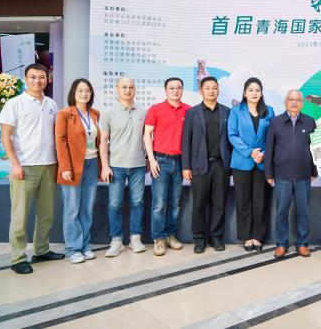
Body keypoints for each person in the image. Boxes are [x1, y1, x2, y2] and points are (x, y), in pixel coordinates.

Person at [0, 63, 64, 274]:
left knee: (46, 214)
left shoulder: (52, 104)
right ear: (26, 79)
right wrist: (15, 164)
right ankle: (18, 257)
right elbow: (6, 136)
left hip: (49, 165)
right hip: (25, 167)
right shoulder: (14, 104)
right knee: (20, 216)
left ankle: (41, 250)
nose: (38, 81)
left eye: (42, 77)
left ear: (48, 79)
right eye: (33, 77)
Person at [181, 76, 233, 254]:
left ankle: (216, 237)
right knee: (199, 204)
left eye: (214, 88)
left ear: (218, 90)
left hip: (221, 165)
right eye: (208, 88)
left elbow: (231, 140)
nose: (211, 91)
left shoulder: (227, 112)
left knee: (219, 203)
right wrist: (186, 167)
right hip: (199, 165)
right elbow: (186, 141)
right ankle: (199, 239)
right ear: (201, 91)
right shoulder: (192, 113)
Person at [264, 90, 317, 259]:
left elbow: (315, 148)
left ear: (302, 103)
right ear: (285, 102)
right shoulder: (275, 122)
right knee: (281, 212)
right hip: (282, 176)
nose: (294, 102)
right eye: (291, 99)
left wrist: (314, 171)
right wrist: (269, 173)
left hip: (303, 175)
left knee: (303, 211)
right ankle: (281, 243)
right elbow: (269, 149)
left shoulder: (310, 122)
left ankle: (302, 243)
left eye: (298, 100)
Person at [99, 76, 148, 257]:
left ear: (135, 89)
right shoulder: (108, 112)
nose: (128, 90)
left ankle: (135, 238)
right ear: (117, 89)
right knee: (115, 204)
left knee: (138, 202)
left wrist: (148, 159)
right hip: (116, 166)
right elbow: (103, 141)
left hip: (138, 166)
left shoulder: (143, 112)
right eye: (124, 87)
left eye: (131, 87)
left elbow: (147, 138)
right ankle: (116, 241)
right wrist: (105, 166)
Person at [55, 78, 101, 264]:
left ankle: (85, 246)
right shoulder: (65, 114)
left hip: (92, 164)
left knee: (87, 208)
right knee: (72, 209)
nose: (84, 94)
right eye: (80, 90)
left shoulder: (95, 113)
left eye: (87, 91)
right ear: (73, 93)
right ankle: (72, 249)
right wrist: (64, 167)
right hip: (73, 166)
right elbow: (60, 141)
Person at [144, 77, 191, 256]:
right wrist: (151, 159)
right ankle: (158, 238)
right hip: (160, 161)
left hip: (180, 162)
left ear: (182, 90)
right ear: (165, 90)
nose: (175, 91)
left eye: (178, 88)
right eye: (171, 88)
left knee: (175, 203)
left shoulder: (189, 110)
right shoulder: (155, 109)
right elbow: (147, 135)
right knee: (159, 203)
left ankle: (171, 235)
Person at [228, 77, 275, 252]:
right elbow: (232, 135)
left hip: (262, 162)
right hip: (242, 162)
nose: (254, 93)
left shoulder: (269, 111)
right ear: (245, 93)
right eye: (251, 90)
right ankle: (247, 236)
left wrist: (263, 153)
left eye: (257, 90)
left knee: (261, 201)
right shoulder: (236, 111)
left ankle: (258, 236)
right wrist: (251, 152)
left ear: (261, 93)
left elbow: (273, 136)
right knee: (243, 201)